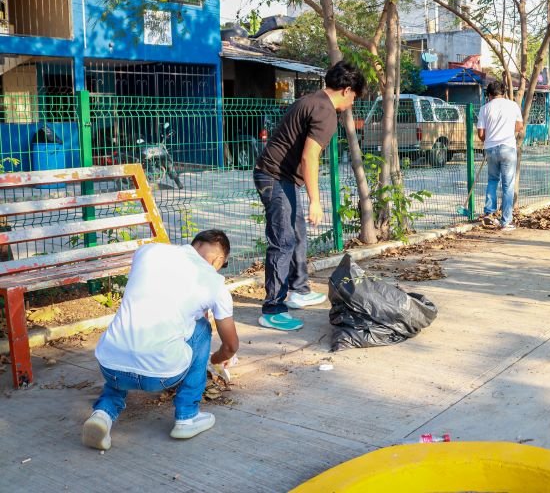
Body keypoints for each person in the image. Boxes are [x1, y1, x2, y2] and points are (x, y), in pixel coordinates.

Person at [82, 230, 238, 450]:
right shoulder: (215, 284)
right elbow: (231, 345)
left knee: (128, 343)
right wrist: (215, 359)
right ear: (219, 260)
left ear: (194, 245)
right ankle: (187, 415)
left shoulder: (148, 252)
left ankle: (102, 414)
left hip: (110, 365)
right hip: (161, 376)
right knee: (202, 328)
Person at [254, 60, 364, 331]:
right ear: (346, 90)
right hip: (275, 177)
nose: (352, 104)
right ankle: (272, 308)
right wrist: (316, 201)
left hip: (280, 176)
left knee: (296, 233)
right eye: (354, 98)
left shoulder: (312, 100)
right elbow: (309, 157)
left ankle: (298, 290)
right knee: (283, 241)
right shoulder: (325, 111)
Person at [477, 82, 524, 231]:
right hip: (508, 148)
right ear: (503, 93)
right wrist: (507, 130)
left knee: (492, 180)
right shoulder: (513, 105)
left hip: (490, 148)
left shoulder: (484, 109)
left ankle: (489, 215)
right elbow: (519, 126)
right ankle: (506, 221)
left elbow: (481, 134)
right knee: (507, 185)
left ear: (489, 95)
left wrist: (491, 139)